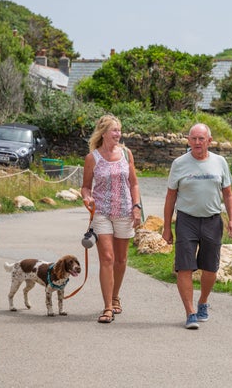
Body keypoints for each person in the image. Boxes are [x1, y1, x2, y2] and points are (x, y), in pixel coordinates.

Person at [163, 123, 232, 330]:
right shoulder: (179, 164)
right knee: (184, 267)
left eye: (201, 139)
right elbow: (170, 197)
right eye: (193, 138)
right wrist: (167, 227)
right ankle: (190, 312)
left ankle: (203, 301)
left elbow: (228, 194)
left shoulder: (220, 162)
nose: (197, 142)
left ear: (209, 141)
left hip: (212, 220)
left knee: (210, 268)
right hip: (187, 220)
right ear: (188, 140)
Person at [81, 115, 142, 324]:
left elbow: (134, 183)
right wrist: (87, 198)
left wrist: (136, 207)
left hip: (125, 211)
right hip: (102, 213)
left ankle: (116, 295)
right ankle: (107, 306)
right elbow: (86, 187)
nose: (118, 134)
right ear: (103, 132)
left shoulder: (126, 154)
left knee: (121, 259)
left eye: (119, 130)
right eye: (114, 130)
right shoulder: (93, 158)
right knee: (107, 258)